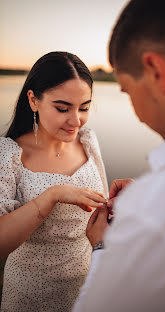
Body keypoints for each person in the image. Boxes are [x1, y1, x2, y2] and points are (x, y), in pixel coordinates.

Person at [72, 0, 165, 311]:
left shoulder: (153, 214)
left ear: (157, 72)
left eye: (127, 90)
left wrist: (104, 246)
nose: (135, 109)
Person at [0, 51, 109, 312]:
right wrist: (51, 196)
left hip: (86, 283)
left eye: (84, 107)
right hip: (30, 294)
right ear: (33, 100)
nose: (76, 121)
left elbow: (102, 206)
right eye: (62, 108)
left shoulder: (88, 140)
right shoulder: (9, 154)